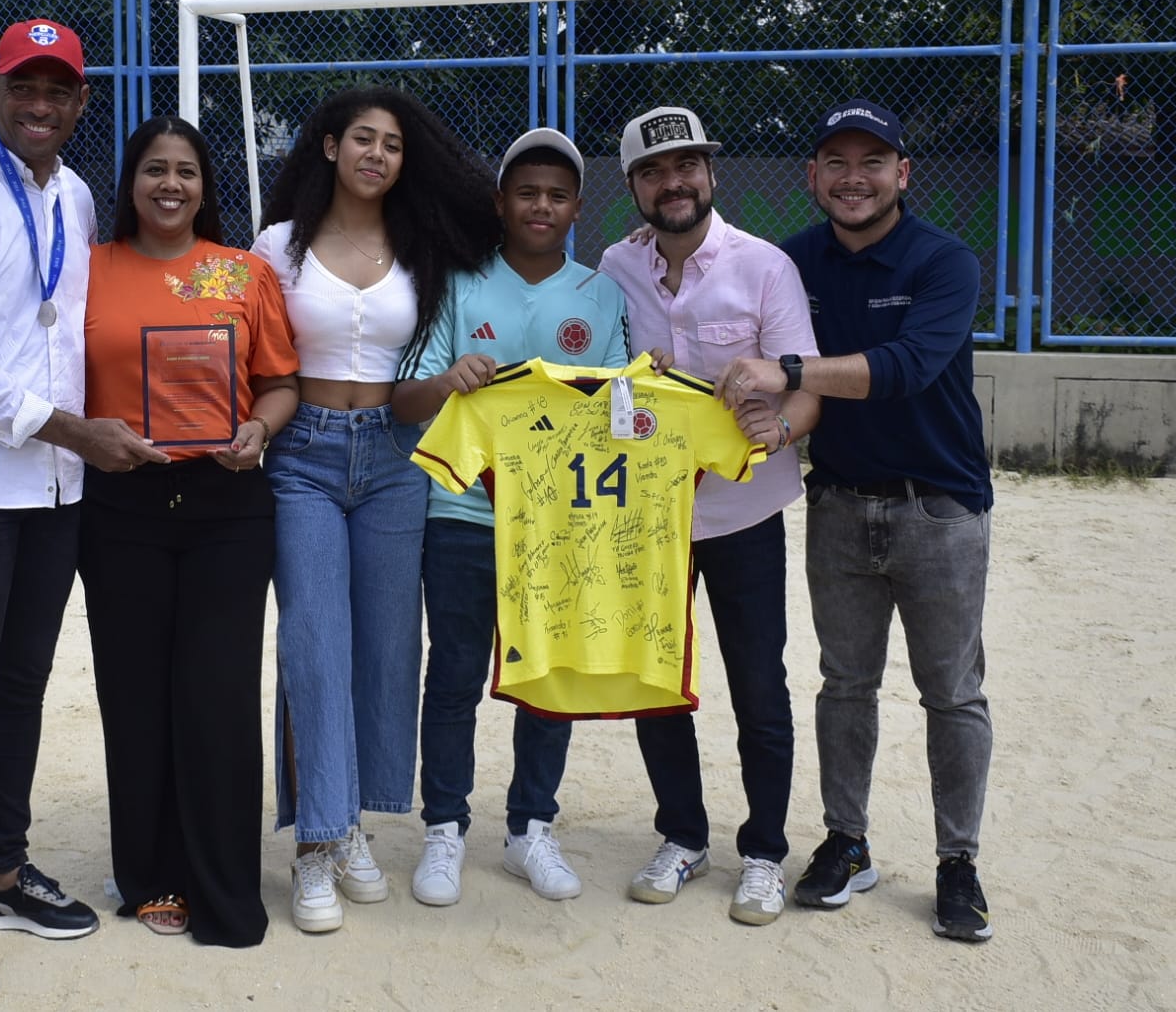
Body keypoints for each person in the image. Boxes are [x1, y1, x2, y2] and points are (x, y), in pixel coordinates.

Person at [0, 18, 165, 1001]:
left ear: (81, 102)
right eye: (23, 88)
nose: (40, 106)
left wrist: (78, 439)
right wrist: (70, 429)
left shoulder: (78, 194)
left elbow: (45, 328)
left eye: (58, 91)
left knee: (20, 684)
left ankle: (2, 869)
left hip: (53, 488)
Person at [716, 98, 995, 942]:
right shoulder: (791, 262)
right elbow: (748, 344)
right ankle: (847, 840)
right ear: (811, 177)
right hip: (838, 504)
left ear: (902, 174)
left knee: (950, 693)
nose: (853, 178)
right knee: (844, 685)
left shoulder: (944, 261)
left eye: (871, 161)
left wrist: (786, 370)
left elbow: (907, 367)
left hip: (937, 507)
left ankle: (958, 863)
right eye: (835, 162)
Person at [250, 86, 501, 933]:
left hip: (397, 460)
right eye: (362, 139)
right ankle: (316, 843)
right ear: (327, 147)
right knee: (313, 641)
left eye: (392, 145)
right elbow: (239, 350)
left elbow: (515, 261)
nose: (376, 156)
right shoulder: (278, 246)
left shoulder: (424, 246)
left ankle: (352, 819)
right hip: (302, 457)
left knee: (389, 645)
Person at [391, 128, 631, 906]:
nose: (540, 205)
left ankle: (531, 827)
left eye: (556, 194)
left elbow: (626, 410)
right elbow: (406, 396)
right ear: (499, 201)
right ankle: (444, 828)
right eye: (526, 191)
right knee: (455, 672)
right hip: (461, 513)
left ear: (576, 208)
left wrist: (633, 397)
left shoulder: (599, 295)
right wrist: (451, 378)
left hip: (562, 520)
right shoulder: (460, 283)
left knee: (546, 677)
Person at [76, 115, 300, 947]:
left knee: (215, 699)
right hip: (120, 504)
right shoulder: (88, 273)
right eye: (154, 170)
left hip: (227, 508)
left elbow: (279, 382)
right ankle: (148, 876)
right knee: (133, 698)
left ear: (206, 188)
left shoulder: (241, 273)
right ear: (130, 181)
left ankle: (223, 885)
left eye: (186, 173)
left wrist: (260, 431)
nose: (170, 186)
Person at [599, 106, 821, 926]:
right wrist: (627, 379)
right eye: (654, 171)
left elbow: (804, 389)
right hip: (649, 516)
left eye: (686, 164)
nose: (674, 181)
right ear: (633, 187)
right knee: (655, 681)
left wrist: (781, 421)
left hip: (744, 511)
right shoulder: (614, 267)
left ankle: (763, 851)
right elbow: (598, 389)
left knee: (759, 685)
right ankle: (681, 836)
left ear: (710, 174)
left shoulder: (763, 267)